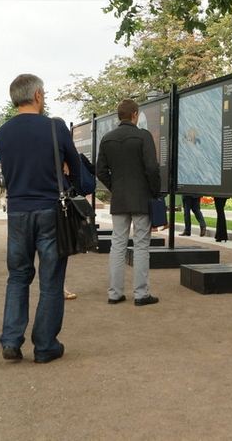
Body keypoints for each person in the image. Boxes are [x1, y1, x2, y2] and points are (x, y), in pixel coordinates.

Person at [0, 74, 80, 363]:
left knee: (17, 276)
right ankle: (45, 345)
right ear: (38, 96)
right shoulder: (55, 128)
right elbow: (77, 168)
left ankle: (10, 339)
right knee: (51, 280)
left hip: (17, 209)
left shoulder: (2, 132)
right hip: (51, 209)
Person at [96, 98, 161, 307]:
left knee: (118, 245)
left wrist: (116, 187)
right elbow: (152, 168)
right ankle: (141, 294)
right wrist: (154, 192)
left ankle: (115, 293)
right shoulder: (143, 137)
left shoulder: (107, 139)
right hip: (142, 198)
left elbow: (100, 171)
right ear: (135, 115)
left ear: (118, 116)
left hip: (120, 199)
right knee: (141, 246)